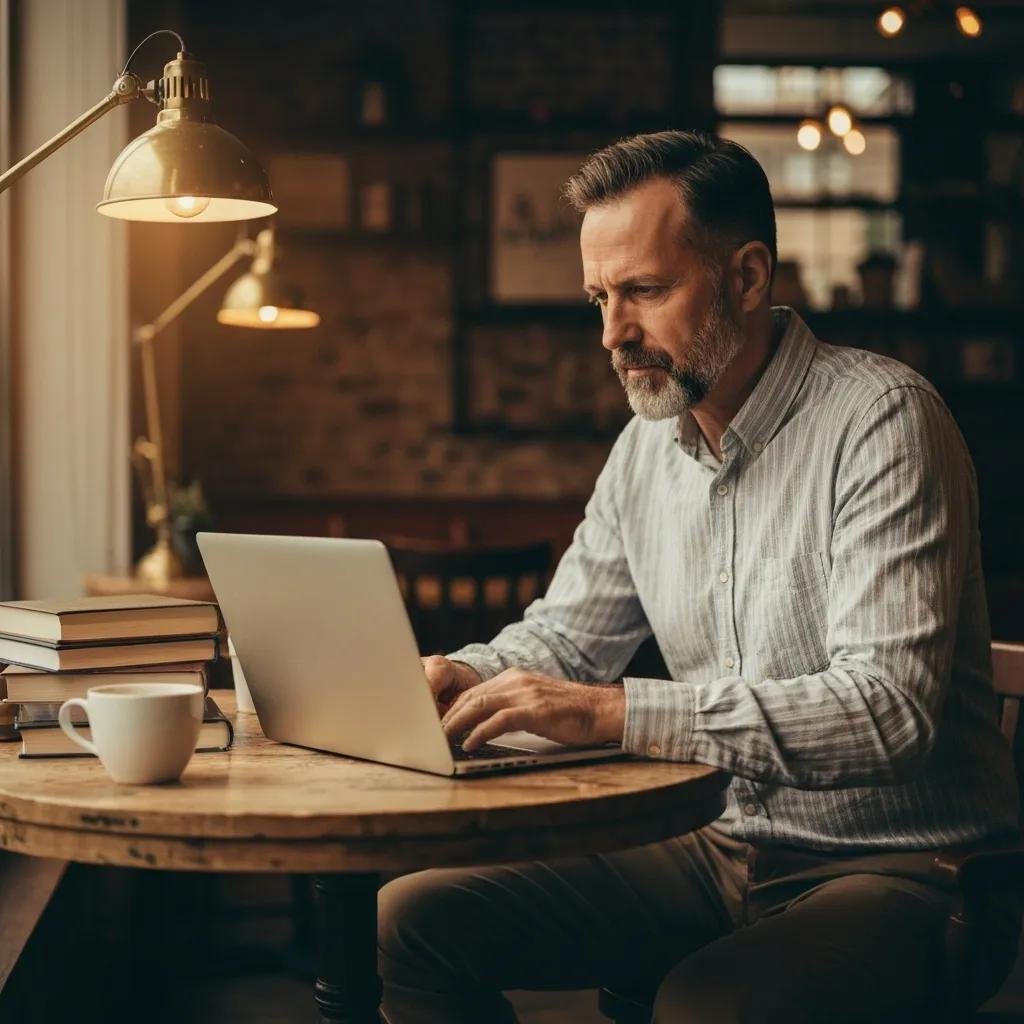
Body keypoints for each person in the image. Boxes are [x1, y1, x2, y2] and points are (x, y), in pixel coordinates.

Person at [378, 130, 1020, 1024]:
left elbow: (888, 711)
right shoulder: (647, 446)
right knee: (411, 918)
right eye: (599, 296)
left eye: (644, 290)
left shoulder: (884, 422)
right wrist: (471, 674)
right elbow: (567, 635)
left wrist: (613, 712)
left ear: (749, 277)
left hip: (906, 871)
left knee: (707, 1004)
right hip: (710, 850)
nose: (612, 334)